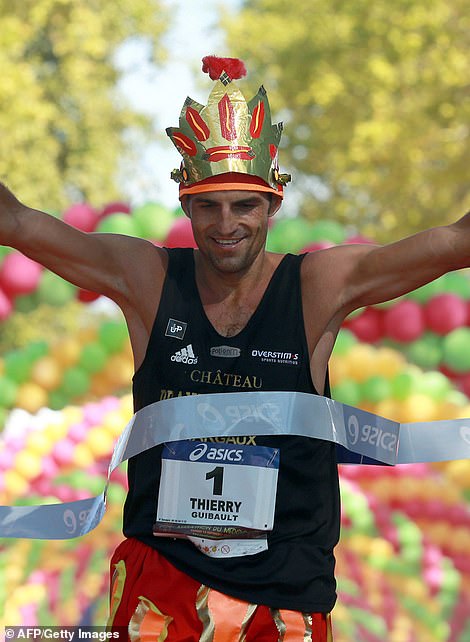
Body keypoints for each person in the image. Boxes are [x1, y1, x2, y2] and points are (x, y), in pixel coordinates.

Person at [0, 55, 469, 641]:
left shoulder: (318, 286)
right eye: (209, 206)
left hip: (283, 602)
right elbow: (15, 222)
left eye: (244, 205)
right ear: (186, 206)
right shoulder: (146, 278)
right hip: (162, 589)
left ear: (272, 204)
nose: (227, 225)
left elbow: (453, 243)